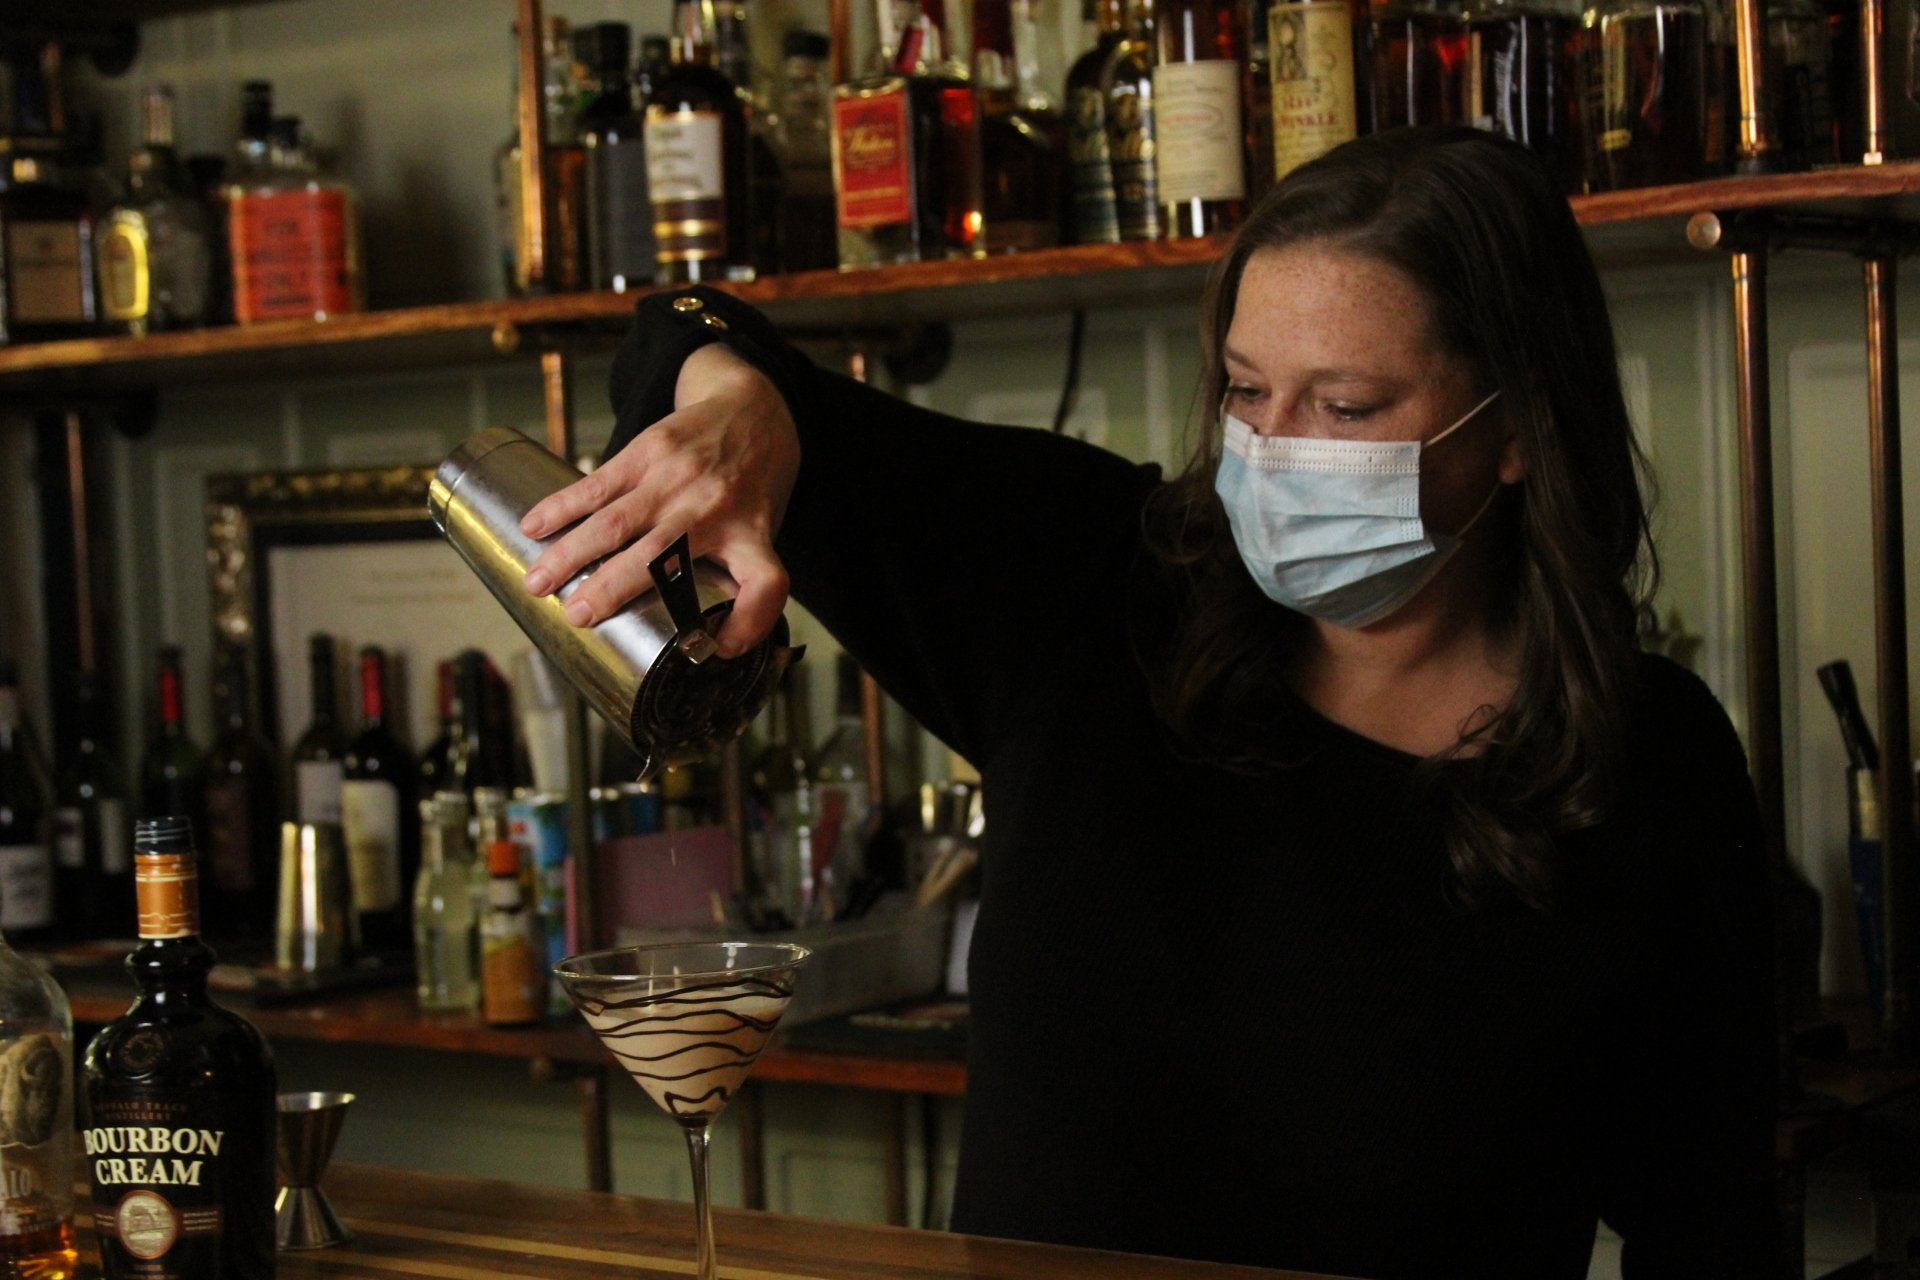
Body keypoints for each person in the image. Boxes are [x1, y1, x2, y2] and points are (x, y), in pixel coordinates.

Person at [518, 127, 1777, 1278]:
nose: (1274, 447)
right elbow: (680, 331)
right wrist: (742, 415)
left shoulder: (1647, 762)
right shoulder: (1092, 583)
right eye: (1245, 389)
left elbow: (1711, 1226)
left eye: (1346, 406)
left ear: (1518, 427)